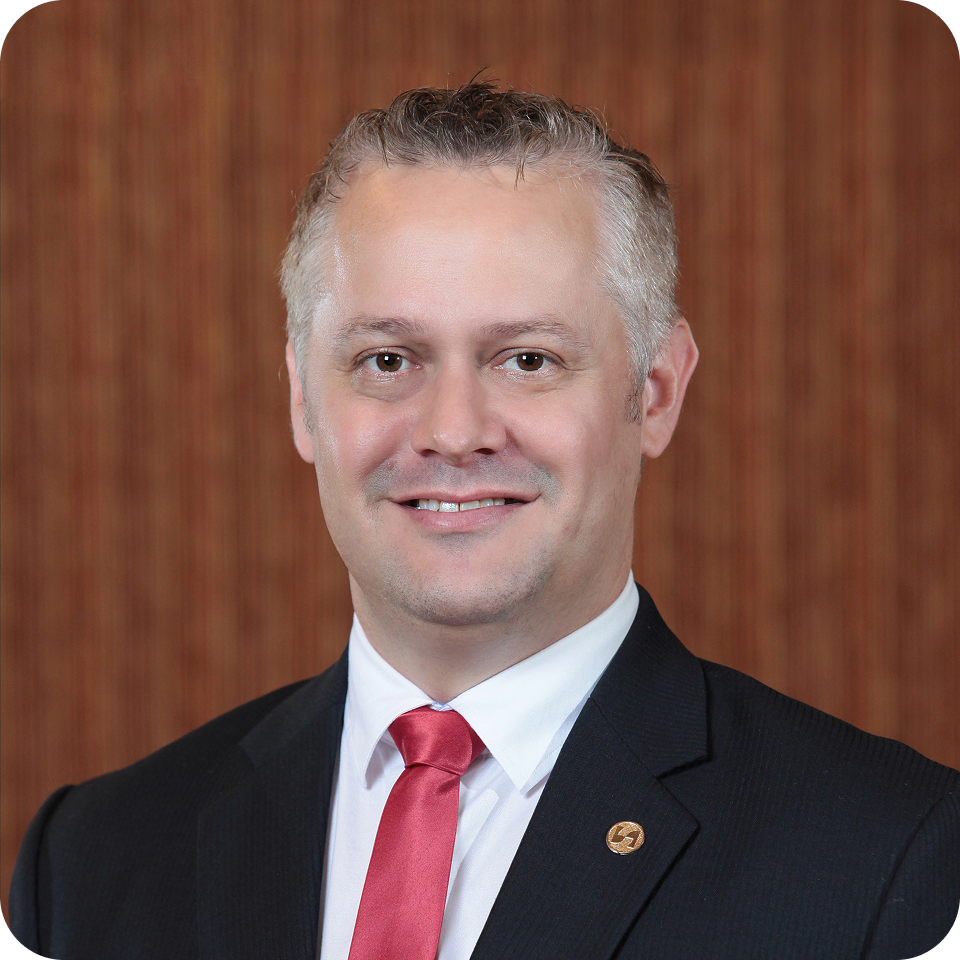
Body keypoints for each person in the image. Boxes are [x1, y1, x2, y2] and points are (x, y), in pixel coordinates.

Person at [9, 81, 958, 960]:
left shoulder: (892, 859)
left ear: (657, 391)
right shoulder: (92, 863)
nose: (453, 431)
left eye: (528, 360)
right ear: (302, 400)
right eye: (388, 361)